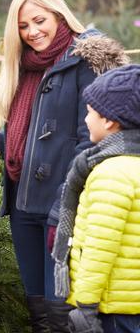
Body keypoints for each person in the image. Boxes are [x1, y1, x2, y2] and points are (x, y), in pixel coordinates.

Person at [0, 0, 128, 332]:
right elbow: (19, 145)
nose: (32, 32)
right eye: (23, 26)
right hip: (23, 208)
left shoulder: (86, 61)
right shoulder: (26, 68)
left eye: (39, 21)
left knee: (62, 315)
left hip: (64, 210)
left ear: (58, 14)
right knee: (38, 313)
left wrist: (64, 207)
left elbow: (94, 143)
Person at [52, 65, 140, 333]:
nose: (86, 119)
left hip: (111, 308)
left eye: (89, 112)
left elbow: (101, 247)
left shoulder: (110, 174)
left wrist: (86, 305)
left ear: (109, 121)